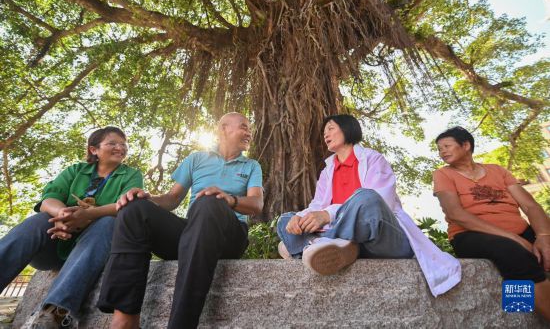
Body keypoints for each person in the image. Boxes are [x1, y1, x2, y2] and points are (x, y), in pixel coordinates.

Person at [97, 112, 263, 329]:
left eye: (249, 128)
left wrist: (228, 199)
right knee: (134, 208)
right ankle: (125, 318)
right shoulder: (196, 159)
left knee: (208, 201)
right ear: (223, 129)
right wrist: (147, 198)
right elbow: (172, 199)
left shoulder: (251, 166)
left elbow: (256, 205)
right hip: (193, 234)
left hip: (229, 237)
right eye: (243, 126)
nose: (249, 132)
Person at [277, 114, 461, 296]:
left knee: (365, 197)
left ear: (348, 129)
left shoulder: (373, 159)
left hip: (382, 239)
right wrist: (300, 217)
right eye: (324, 131)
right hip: (350, 240)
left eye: (331, 128)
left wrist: (328, 215)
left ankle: (311, 246)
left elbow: (380, 203)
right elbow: (317, 205)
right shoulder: (327, 171)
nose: (325, 134)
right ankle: (337, 247)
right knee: (285, 220)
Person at [0, 126, 143, 328]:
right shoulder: (75, 171)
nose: (120, 147)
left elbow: (126, 206)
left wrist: (88, 215)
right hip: (54, 243)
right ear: (94, 149)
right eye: (112, 143)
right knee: (38, 220)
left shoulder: (131, 175)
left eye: (123, 144)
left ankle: (54, 314)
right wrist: (62, 216)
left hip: (94, 249)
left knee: (109, 222)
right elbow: (48, 199)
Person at [433, 126, 550, 321]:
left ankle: (525, 316)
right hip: (469, 235)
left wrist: (544, 237)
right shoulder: (443, 175)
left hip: (517, 230)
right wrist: (513, 238)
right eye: (439, 149)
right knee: (513, 253)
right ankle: (526, 315)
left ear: (466, 145)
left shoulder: (497, 170)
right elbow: (456, 214)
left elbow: (530, 206)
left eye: (446, 146)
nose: (442, 151)